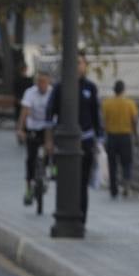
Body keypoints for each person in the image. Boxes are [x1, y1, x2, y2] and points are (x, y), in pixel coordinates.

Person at [46, 53, 103, 224]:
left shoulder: (90, 88)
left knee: (83, 183)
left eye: (80, 62)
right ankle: (65, 214)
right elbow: (50, 115)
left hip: (85, 141)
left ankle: (81, 219)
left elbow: (96, 116)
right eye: (74, 62)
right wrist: (49, 141)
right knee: (65, 181)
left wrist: (100, 141)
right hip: (63, 143)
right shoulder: (59, 87)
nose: (77, 66)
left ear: (85, 65)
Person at [17, 70, 54, 205]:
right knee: (30, 159)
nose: (41, 85)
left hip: (48, 127)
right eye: (39, 82)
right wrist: (20, 129)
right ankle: (28, 189)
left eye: (44, 82)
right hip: (33, 127)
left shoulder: (52, 93)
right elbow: (25, 111)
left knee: (50, 148)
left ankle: (51, 167)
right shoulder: (30, 92)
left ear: (49, 82)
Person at [102, 80, 138, 198]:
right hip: (126, 136)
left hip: (111, 136)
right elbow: (134, 121)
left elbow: (104, 121)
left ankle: (113, 189)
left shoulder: (107, 103)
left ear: (114, 90)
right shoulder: (130, 103)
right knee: (126, 163)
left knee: (112, 164)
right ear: (123, 90)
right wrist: (136, 135)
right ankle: (126, 184)